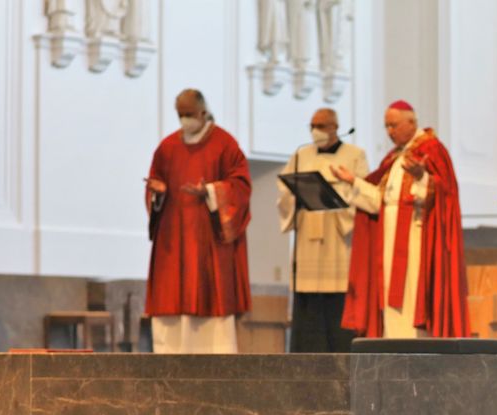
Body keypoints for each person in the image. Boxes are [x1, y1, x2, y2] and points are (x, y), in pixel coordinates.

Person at [332, 101, 470, 339]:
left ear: (412, 122)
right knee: (389, 298)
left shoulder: (432, 150)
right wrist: (353, 181)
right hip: (388, 241)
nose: (389, 131)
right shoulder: (395, 158)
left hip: (417, 242)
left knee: (412, 299)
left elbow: (445, 195)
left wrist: (422, 178)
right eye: (386, 126)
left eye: (394, 125)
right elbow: (379, 201)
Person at [145, 89, 251, 354]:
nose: (184, 120)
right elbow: (154, 185)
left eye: (189, 114)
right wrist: (156, 194)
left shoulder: (225, 145)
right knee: (171, 308)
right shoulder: (167, 148)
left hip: (209, 244)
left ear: (203, 112)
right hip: (173, 241)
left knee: (210, 309)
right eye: (180, 115)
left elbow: (241, 186)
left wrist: (212, 191)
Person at [277, 107, 368, 353]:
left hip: (337, 242)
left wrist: (335, 198)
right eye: (312, 126)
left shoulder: (354, 155)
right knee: (308, 310)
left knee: (335, 307)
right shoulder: (300, 155)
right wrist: (297, 194)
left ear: (335, 127)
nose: (316, 131)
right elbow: (284, 191)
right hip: (308, 242)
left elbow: (362, 194)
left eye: (321, 126)